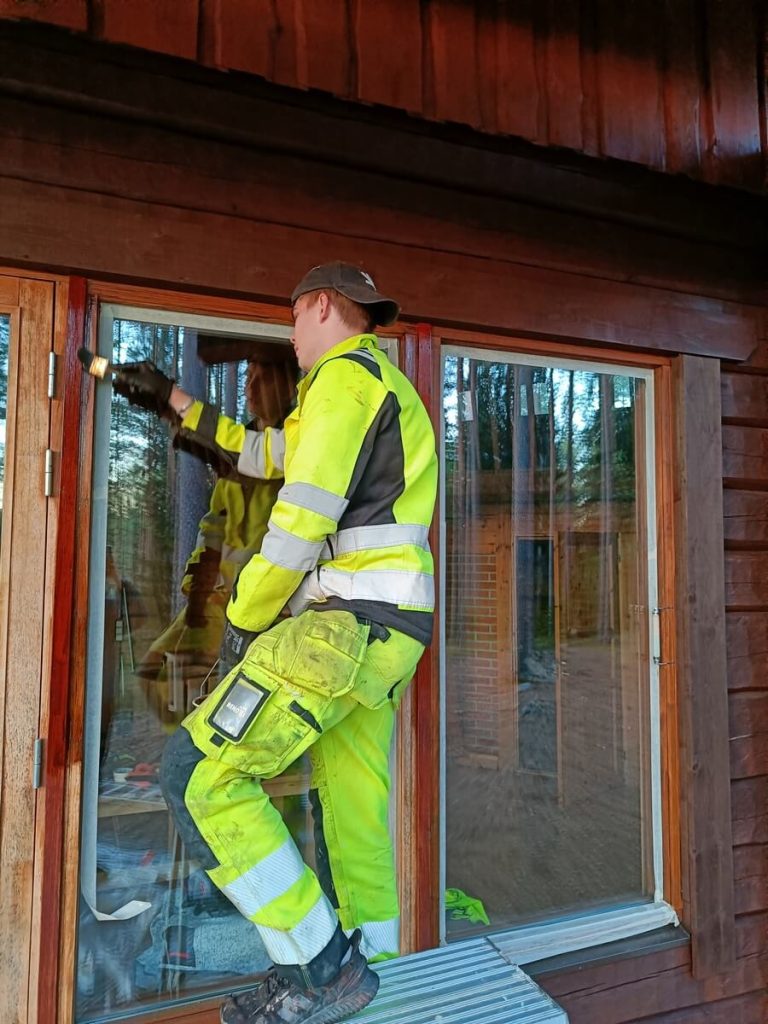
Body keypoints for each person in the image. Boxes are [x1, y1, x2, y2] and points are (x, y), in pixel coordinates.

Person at [114, 262, 437, 1024]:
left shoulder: (344, 383)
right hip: (389, 636)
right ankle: (374, 979)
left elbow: (301, 517)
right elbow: (258, 454)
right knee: (354, 817)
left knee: (198, 777)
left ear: (322, 305)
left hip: (345, 627)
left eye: (292, 320)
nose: (289, 339)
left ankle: (321, 968)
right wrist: (173, 402)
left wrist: (246, 615)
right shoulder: (375, 393)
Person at [133, 354, 297, 700]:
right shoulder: (235, 449)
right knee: (162, 671)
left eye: (260, 378)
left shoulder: (299, 449)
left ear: (288, 388)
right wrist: (198, 584)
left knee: (245, 695)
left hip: (269, 602)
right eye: (247, 377)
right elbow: (214, 521)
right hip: (220, 594)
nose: (249, 387)